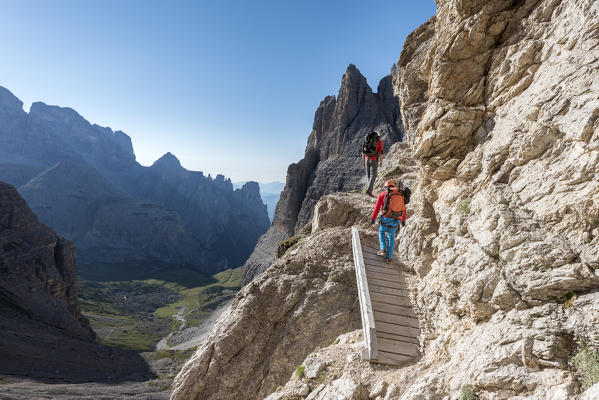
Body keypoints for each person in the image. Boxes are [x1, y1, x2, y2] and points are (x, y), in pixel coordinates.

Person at [370, 180, 407, 263]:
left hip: (386, 219)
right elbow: (404, 208)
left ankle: (383, 249)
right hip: (396, 219)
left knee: (381, 232)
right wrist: (403, 220)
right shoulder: (400, 195)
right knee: (391, 237)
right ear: (393, 186)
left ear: (385, 187)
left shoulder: (382, 194)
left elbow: (377, 207)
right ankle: (389, 258)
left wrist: (373, 218)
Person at [363, 131, 383, 196]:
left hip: (366, 159)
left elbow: (363, 152)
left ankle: (368, 190)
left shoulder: (366, 141)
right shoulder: (379, 142)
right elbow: (380, 153)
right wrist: (381, 162)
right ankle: (369, 190)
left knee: (368, 176)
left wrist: (364, 162)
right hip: (374, 159)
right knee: (373, 175)